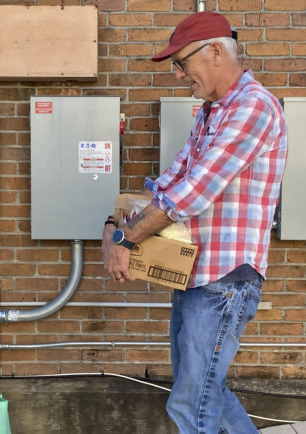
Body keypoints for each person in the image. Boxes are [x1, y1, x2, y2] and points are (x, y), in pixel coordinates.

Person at [102, 12, 287, 434]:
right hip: (195, 276)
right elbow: (168, 183)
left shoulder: (254, 106)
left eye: (183, 63)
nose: (181, 74)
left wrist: (125, 239)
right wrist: (112, 226)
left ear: (217, 52)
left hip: (224, 280)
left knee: (191, 406)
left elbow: (194, 192)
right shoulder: (210, 113)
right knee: (209, 393)